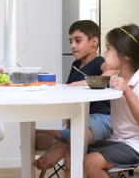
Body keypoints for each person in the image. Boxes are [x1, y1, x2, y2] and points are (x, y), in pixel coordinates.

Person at [79, 24, 139, 178]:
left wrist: (127, 91)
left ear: (127, 56)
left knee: (91, 162)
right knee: (77, 151)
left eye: (108, 48)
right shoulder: (116, 79)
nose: (104, 53)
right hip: (119, 140)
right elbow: (95, 81)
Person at [33, 20, 115, 171]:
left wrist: (88, 82)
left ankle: (66, 147)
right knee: (30, 136)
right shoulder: (75, 65)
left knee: (75, 147)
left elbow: (112, 70)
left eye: (78, 41)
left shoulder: (99, 62)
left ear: (94, 42)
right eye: (71, 41)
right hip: (78, 121)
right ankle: (59, 146)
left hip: (100, 119)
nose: (72, 45)